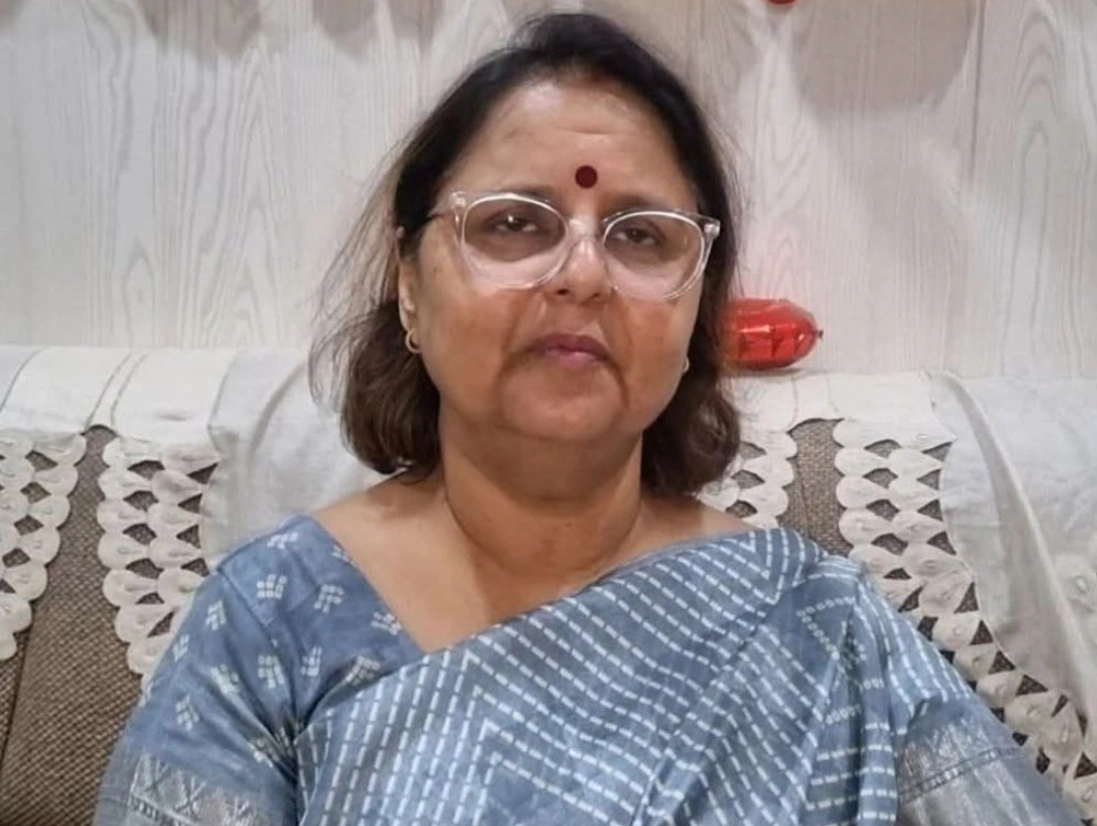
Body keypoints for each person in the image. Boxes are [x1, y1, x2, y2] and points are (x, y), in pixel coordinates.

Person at [95, 12, 1082, 826]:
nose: (578, 274)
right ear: (407, 283)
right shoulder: (270, 621)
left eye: (640, 236)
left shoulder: (816, 625)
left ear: (695, 306)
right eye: (513, 223)